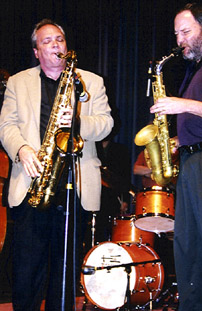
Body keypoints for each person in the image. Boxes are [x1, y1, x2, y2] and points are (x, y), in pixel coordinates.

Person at [0, 19, 113, 311]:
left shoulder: (91, 81)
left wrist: (77, 123)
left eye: (59, 39)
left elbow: (106, 124)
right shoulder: (18, 82)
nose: (55, 45)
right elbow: (7, 126)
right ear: (36, 51)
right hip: (32, 182)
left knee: (65, 272)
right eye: (47, 41)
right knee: (26, 271)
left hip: (73, 185)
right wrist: (22, 149)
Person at [150, 3, 202, 310]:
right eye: (176, 34)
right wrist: (177, 139)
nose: (179, 40)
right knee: (189, 251)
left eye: (186, 31)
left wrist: (182, 105)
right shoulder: (196, 69)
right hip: (191, 162)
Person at [95, 137, 131, 242]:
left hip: (112, 196)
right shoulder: (93, 148)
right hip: (95, 193)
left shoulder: (120, 150)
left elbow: (125, 176)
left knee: (111, 228)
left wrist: (125, 200)